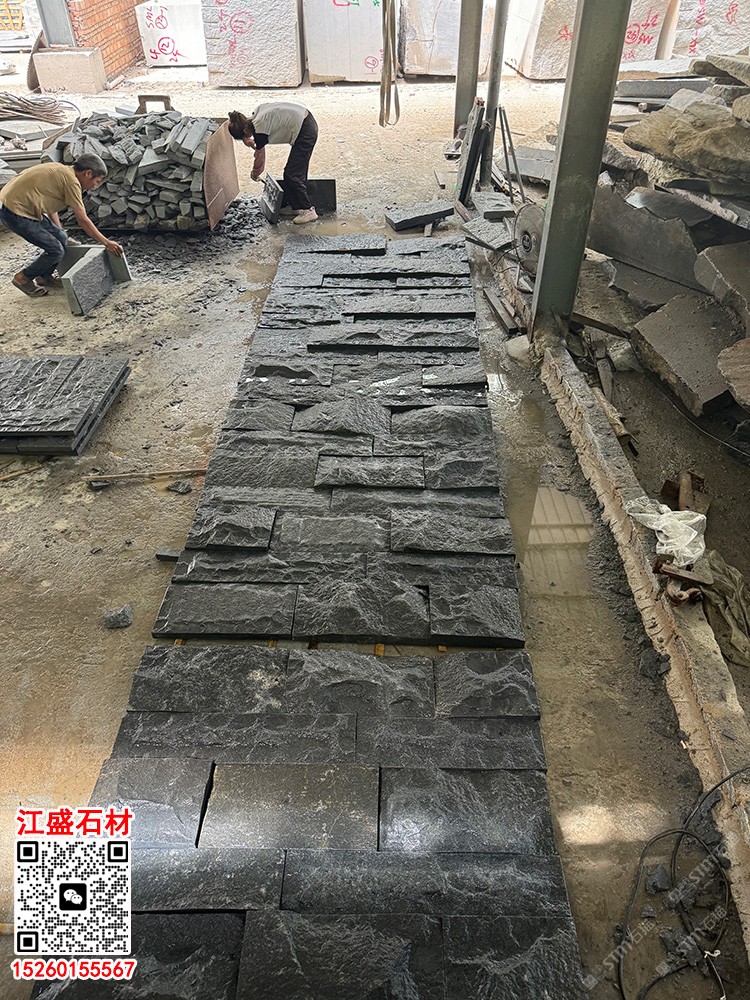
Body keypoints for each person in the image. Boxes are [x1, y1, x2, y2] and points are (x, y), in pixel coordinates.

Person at [0, 153, 123, 299]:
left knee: (62, 238)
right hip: (14, 211)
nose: (95, 186)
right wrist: (106, 242)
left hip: (21, 206)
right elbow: (82, 220)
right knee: (56, 250)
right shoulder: (72, 182)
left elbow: (51, 204)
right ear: (88, 173)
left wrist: (59, 232)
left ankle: (43, 277)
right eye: (97, 181)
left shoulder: (63, 172)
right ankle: (23, 278)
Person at [228, 104, 318, 225]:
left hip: (305, 130)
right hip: (304, 120)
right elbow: (257, 140)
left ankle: (308, 210)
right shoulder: (256, 115)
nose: (245, 139)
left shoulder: (259, 128)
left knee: (292, 174)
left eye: (243, 137)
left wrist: (255, 173)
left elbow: (260, 157)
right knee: (296, 172)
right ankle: (296, 207)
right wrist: (249, 142)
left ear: (245, 131)